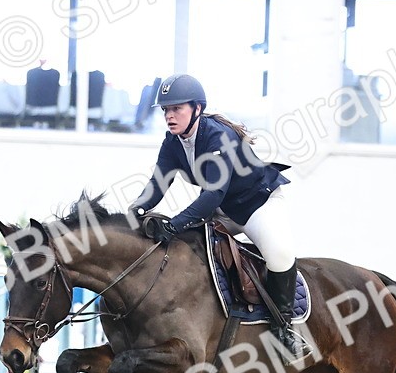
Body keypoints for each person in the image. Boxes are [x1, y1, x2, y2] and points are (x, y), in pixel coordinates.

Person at [129, 74, 301, 356]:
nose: (169, 116)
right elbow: (159, 183)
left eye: (176, 109)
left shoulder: (219, 136)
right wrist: (136, 209)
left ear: (197, 108)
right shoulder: (172, 142)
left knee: (279, 254)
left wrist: (174, 224)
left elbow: (213, 195)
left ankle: (283, 328)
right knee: (186, 249)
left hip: (257, 205)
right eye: (166, 110)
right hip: (222, 210)